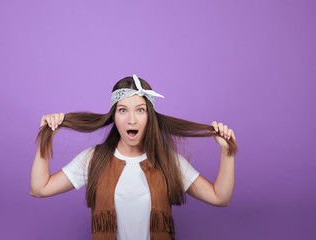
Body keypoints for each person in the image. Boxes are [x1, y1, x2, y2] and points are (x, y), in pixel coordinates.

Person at [30, 74, 238, 240]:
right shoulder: (94, 159)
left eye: (140, 110)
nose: (132, 120)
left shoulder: (169, 161)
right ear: (114, 116)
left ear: (150, 116)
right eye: (123, 110)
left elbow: (220, 198)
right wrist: (46, 136)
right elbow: (39, 188)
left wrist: (227, 152)